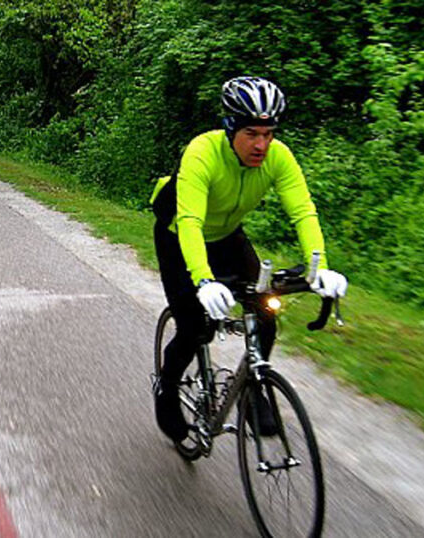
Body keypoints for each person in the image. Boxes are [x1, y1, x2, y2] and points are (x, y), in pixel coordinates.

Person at [149, 76, 348, 448]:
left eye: (269, 133)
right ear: (230, 128)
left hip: (227, 236)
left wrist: (318, 267)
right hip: (180, 238)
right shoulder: (202, 152)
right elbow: (190, 221)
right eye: (252, 133)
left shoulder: (278, 158)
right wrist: (204, 281)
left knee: (266, 311)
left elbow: (303, 212)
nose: (261, 144)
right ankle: (168, 386)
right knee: (194, 329)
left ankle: (254, 389)